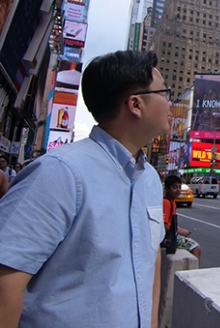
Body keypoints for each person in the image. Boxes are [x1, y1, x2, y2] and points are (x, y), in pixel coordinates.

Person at [0, 50, 171, 328]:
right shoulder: (60, 173)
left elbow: (151, 262)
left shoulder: (150, 179)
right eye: (164, 92)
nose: (169, 102)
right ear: (135, 104)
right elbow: (6, 282)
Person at [163, 176, 201, 263]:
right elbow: (165, 226)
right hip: (167, 238)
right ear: (167, 189)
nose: (178, 190)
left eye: (179, 187)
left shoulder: (172, 201)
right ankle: (196, 274)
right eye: (174, 187)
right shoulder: (166, 203)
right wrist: (181, 232)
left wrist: (181, 230)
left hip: (170, 235)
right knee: (196, 247)